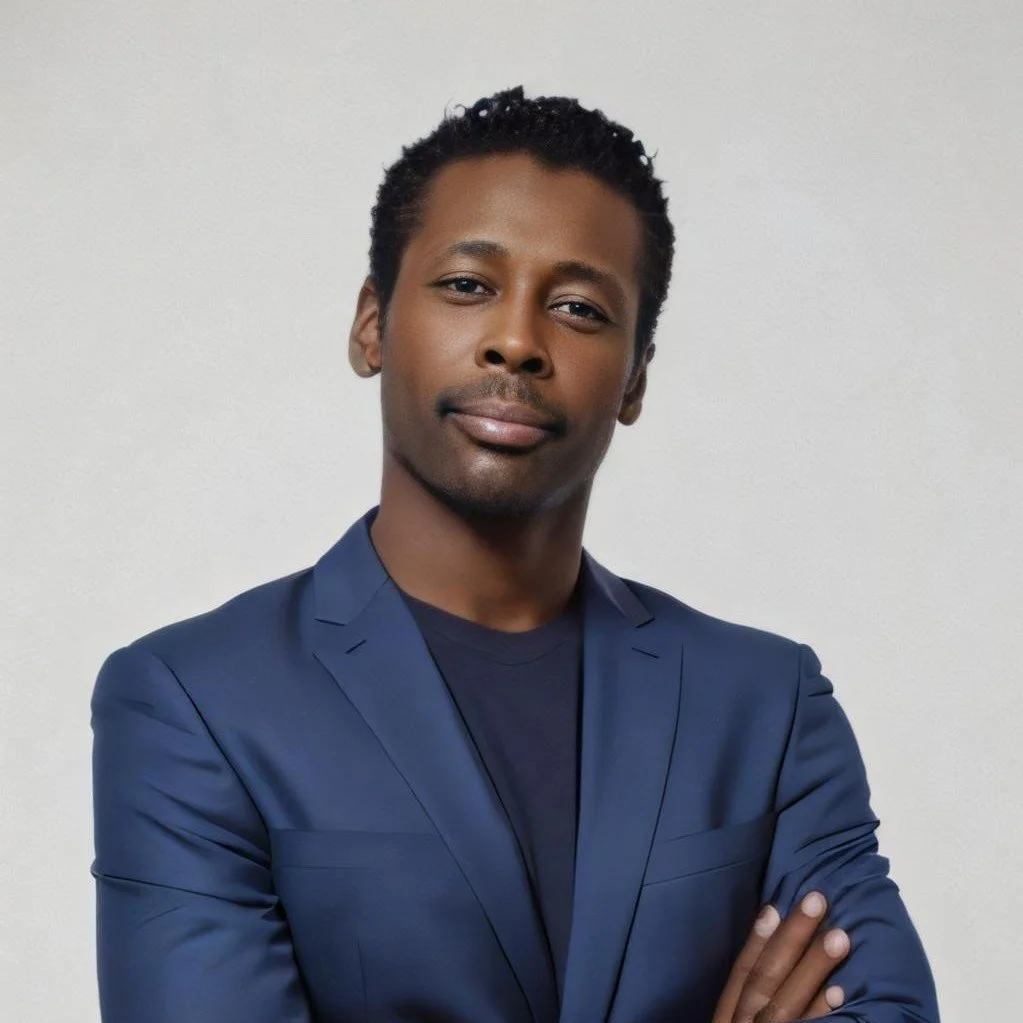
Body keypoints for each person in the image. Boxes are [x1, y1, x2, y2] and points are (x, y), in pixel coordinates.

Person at [90, 86, 939, 1023]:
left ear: (635, 377)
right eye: (467, 286)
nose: (516, 341)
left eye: (577, 307)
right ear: (372, 324)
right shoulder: (194, 701)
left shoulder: (765, 703)